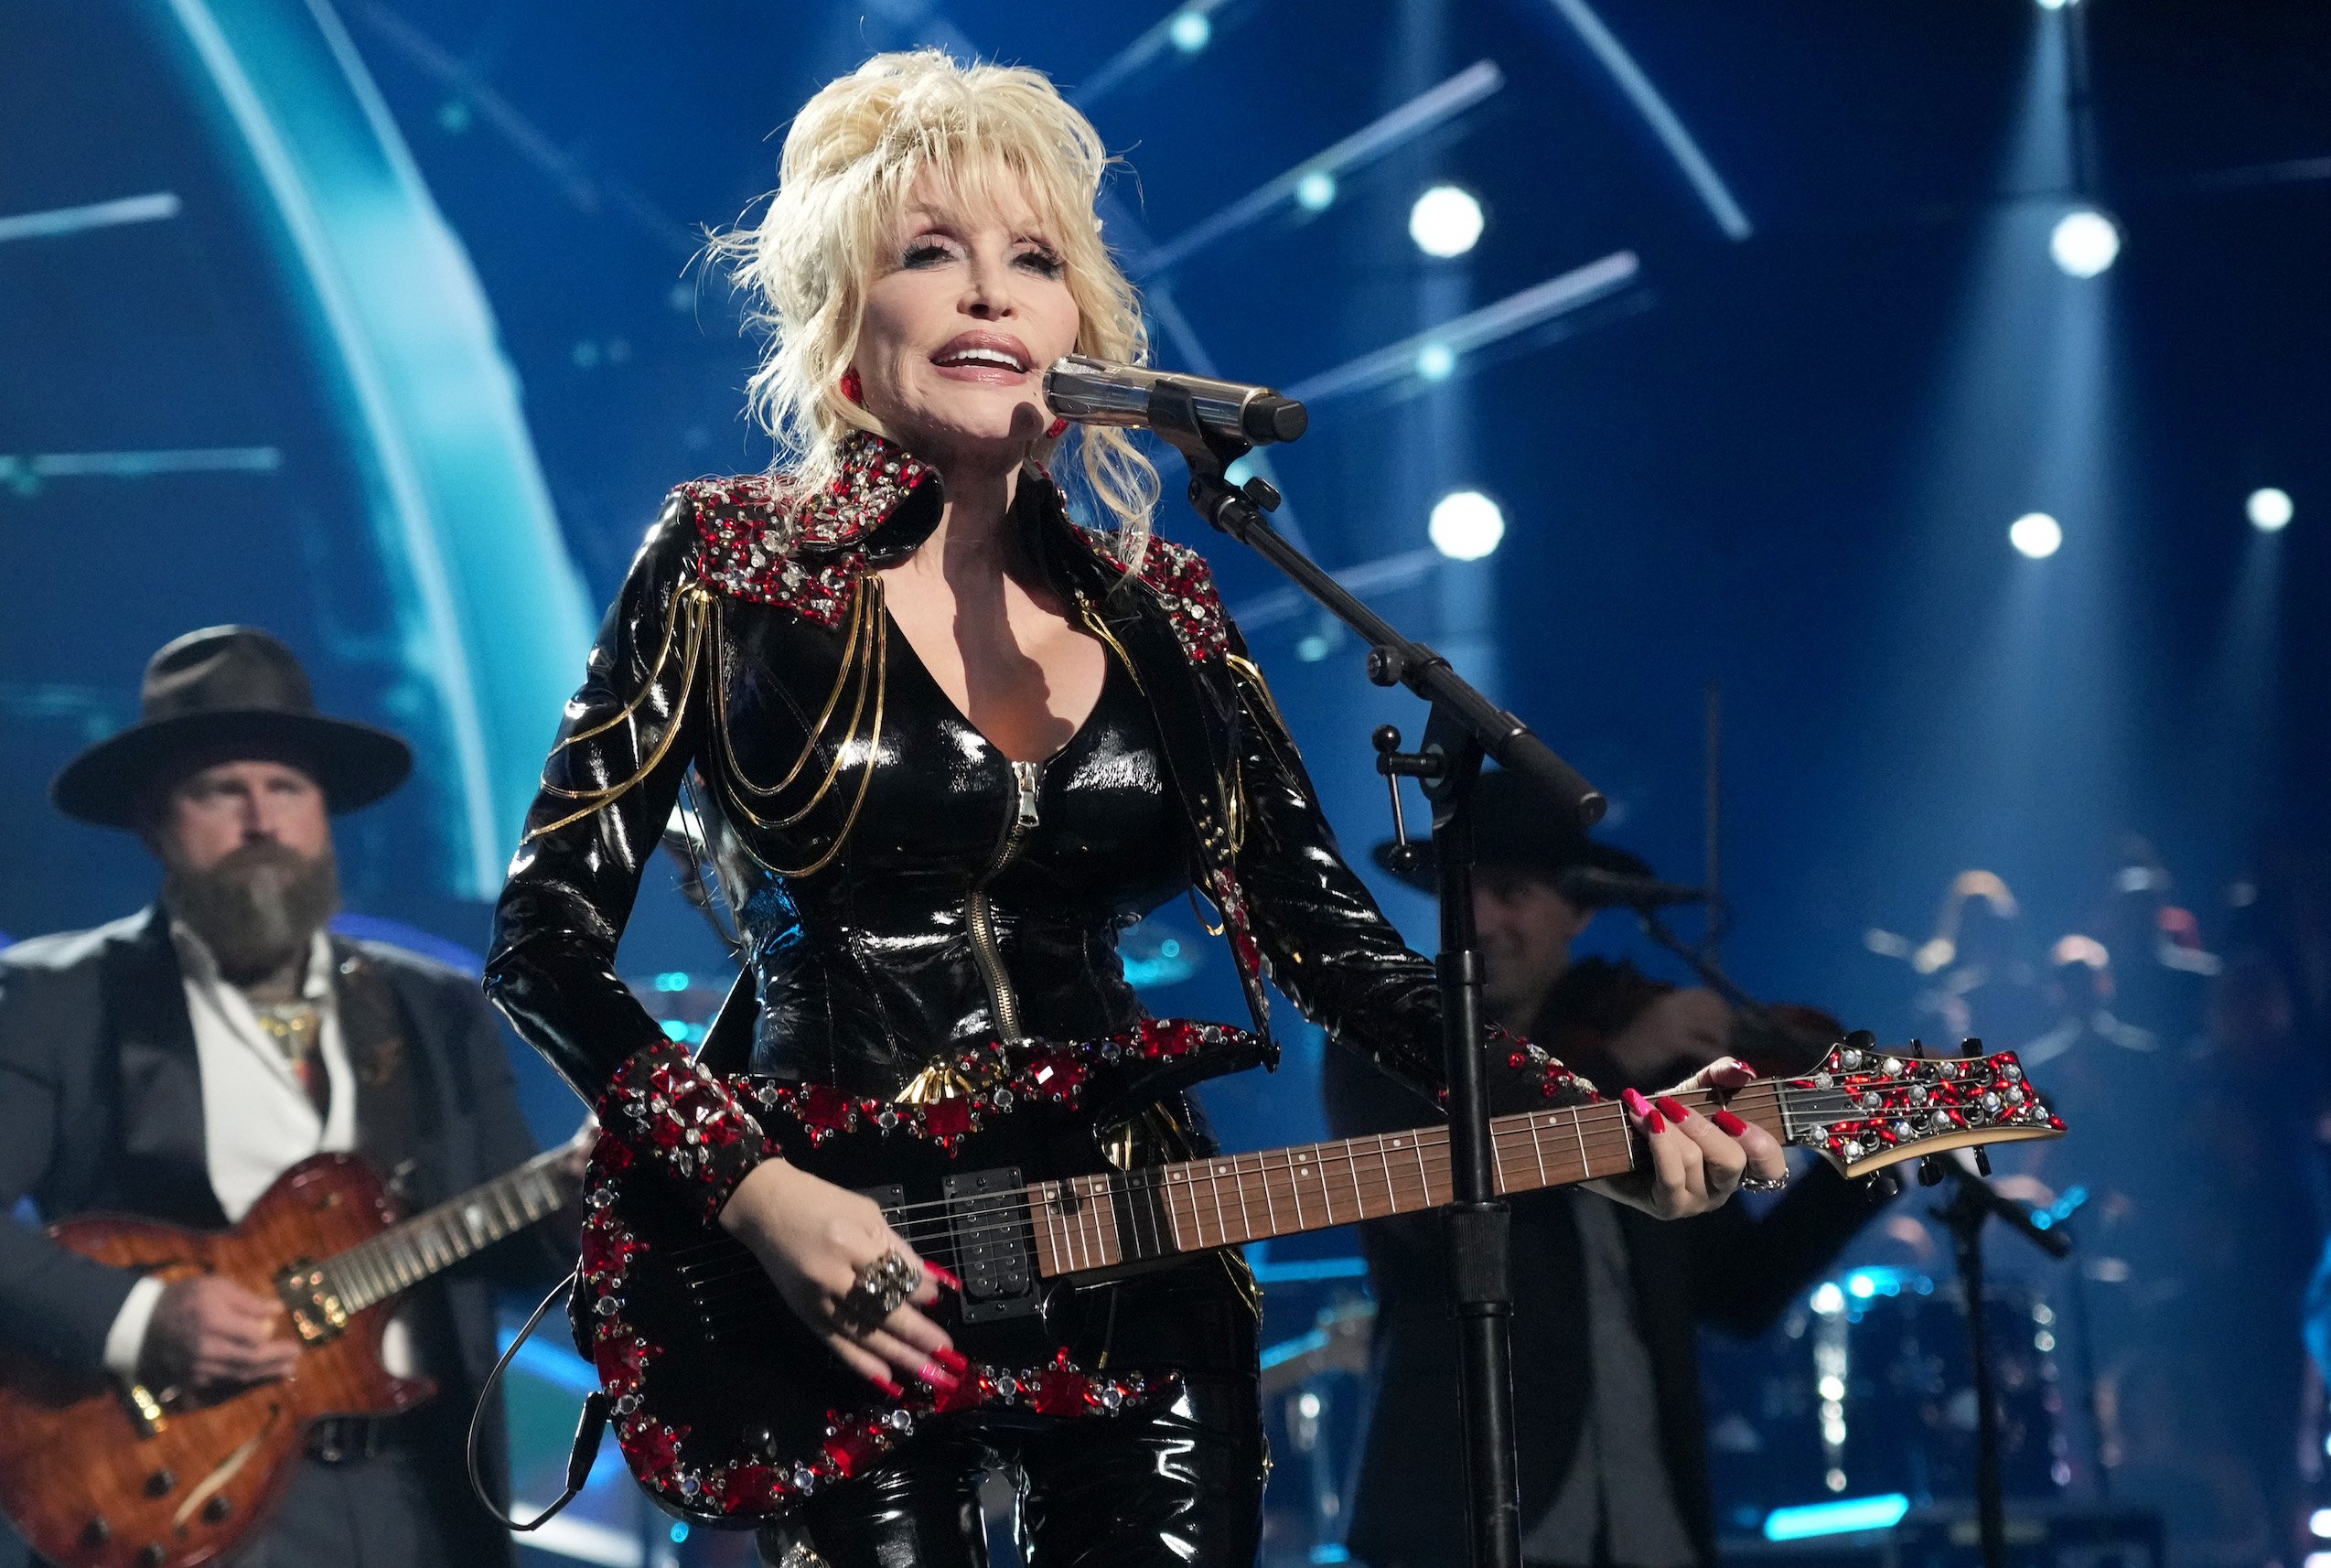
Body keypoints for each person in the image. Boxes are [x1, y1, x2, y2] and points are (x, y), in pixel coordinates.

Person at [483, 51, 1786, 1568]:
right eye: (931, 254)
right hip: (846, 1266)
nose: (987, 294)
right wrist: (761, 1191)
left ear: (1077, 330)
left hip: (1140, 1251)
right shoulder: (729, 560)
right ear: (848, 331)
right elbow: (545, 940)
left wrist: (1597, 1120)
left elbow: (1339, 950)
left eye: (1031, 261)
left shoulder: (1164, 610)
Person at [0, 626, 579, 1568]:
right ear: (154, 821)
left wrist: (587, 1193)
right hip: (175, 1494)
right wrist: (142, 1318)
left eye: (287, 789)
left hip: (418, 1500)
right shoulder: (61, 996)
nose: (261, 820)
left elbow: (519, 1244)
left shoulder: (430, 1006)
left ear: (323, 815)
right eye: (221, 791)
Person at [1325, 770, 1888, 1568]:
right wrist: (1625, 1063)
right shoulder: (1385, 1047)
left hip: (1646, 1516)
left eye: (1512, 892)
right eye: (1464, 895)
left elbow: (1736, 1294)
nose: (1482, 922)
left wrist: (1869, 1155)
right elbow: (1452, 1192)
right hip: (1459, 1516)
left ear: (1581, 910)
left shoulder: (1651, 1066)